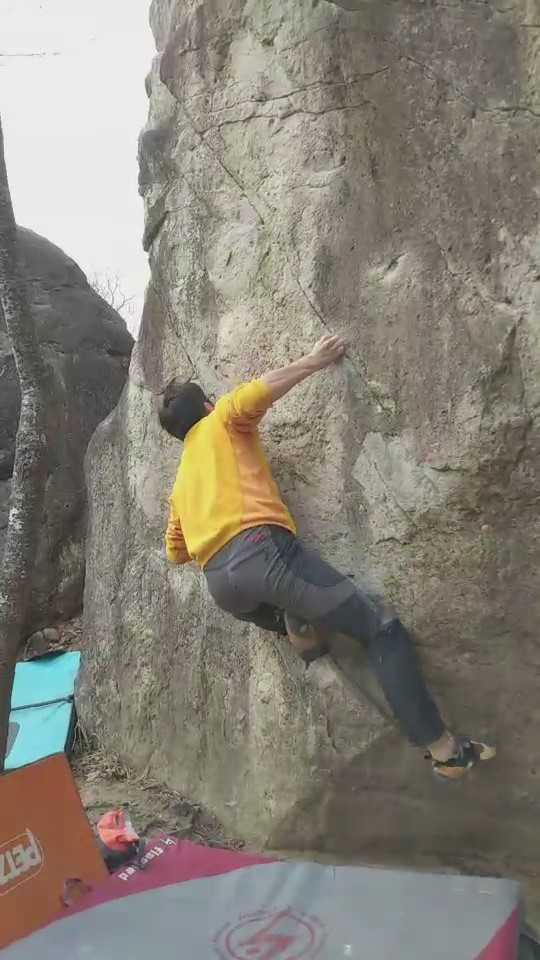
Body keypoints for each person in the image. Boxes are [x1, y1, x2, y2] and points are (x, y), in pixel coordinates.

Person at [159, 335, 495, 781]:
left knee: (289, 601)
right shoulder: (222, 419)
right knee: (380, 630)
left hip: (221, 584)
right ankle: (445, 750)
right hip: (263, 554)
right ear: (207, 406)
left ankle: (296, 625)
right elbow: (257, 392)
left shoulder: (180, 484)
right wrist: (314, 361)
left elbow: (175, 551)